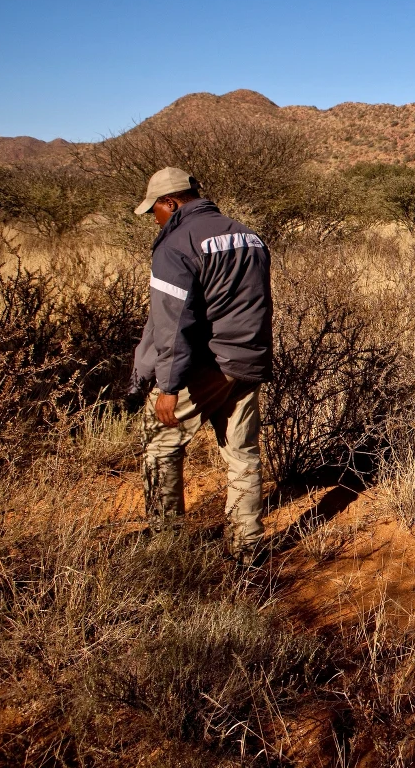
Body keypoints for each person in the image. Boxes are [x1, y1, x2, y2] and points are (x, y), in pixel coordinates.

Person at [127, 167, 274, 562]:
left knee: (161, 446)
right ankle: (248, 547)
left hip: (206, 366)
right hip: (248, 360)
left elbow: (174, 323)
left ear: (170, 202)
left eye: (154, 211)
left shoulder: (176, 244)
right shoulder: (248, 235)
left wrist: (168, 386)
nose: (154, 220)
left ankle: (166, 541)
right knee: (243, 454)